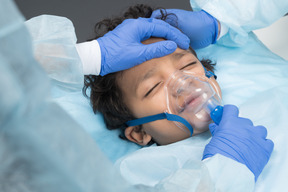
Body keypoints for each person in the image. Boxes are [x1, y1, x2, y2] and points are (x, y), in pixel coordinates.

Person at [82, 4, 273, 188]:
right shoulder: (140, 172)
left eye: (187, 65)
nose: (184, 83)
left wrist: (221, 21)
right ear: (139, 132)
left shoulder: (266, 93)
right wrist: (225, 167)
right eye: (154, 86)